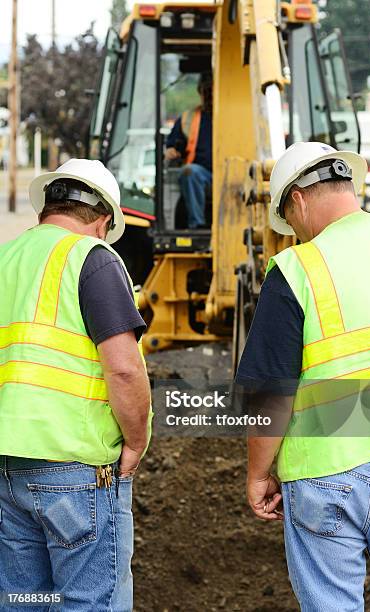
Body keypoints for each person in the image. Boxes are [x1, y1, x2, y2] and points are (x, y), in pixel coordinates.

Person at [236, 141, 370, 611]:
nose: (296, 234)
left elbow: (270, 391)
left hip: (324, 472)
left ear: (298, 200)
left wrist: (257, 474)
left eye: (290, 224)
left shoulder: (296, 268)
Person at [0, 159, 152, 611]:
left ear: (46, 207)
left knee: (26, 600)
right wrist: (137, 439)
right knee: (88, 602)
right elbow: (124, 369)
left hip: (8, 469)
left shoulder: (6, 258)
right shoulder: (92, 258)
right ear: (104, 219)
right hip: (73, 468)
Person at [165, 72, 212, 229]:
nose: (210, 96)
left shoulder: (235, 117)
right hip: (204, 175)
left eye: (212, 90)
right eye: (206, 91)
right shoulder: (188, 118)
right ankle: (197, 225)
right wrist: (171, 150)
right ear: (200, 92)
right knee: (190, 172)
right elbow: (171, 144)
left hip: (233, 172)